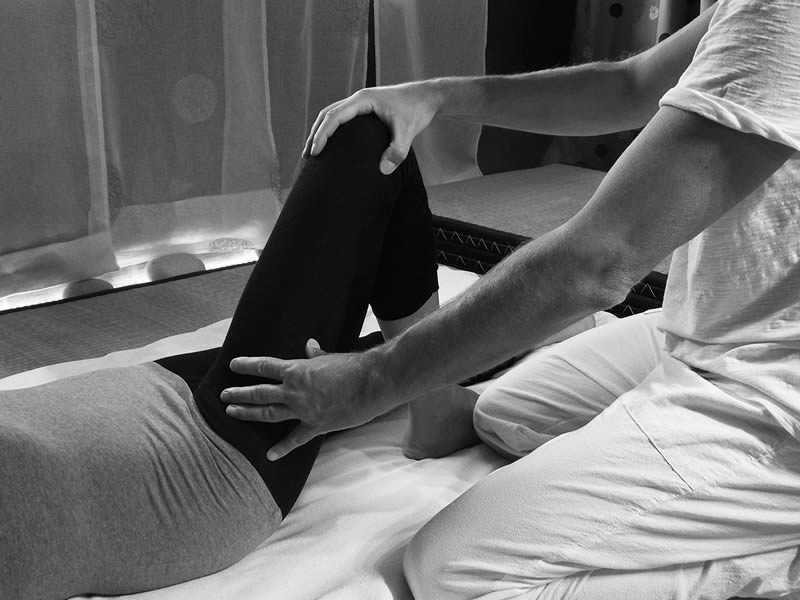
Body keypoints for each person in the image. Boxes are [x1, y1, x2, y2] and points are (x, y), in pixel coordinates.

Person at [221, 1, 800, 599]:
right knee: (496, 416)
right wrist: (436, 95)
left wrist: (369, 383)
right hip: (708, 326)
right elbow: (634, 84)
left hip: (774, 392)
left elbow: (598, 262)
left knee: (448, 572)